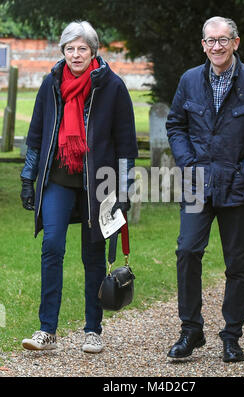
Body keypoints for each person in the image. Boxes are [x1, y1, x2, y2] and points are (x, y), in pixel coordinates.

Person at [166, 16, 244, 362]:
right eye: (210, 41)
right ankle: (191, 330)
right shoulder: (190, 80)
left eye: (223, 40)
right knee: (187, 252)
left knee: (237, 263)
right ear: (203, 44)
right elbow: (175, 124)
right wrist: (188, 163)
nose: (216, 46)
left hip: (238, 185)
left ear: (236, 42)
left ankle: (231, 336)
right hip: (196, 183)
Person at [20, 21, 138, 353]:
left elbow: (127, 146)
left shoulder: (112, 86)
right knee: (52, 247)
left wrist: (125, 191)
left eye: (82, 48)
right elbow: (35, 137)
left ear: (93, 51)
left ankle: (93, 330)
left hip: (97, 184)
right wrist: (28, 180)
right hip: (57, 179)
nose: (76, 54)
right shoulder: (51, 83)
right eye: (70, 48)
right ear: (63, 51)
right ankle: (47, 331)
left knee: (93, 256)